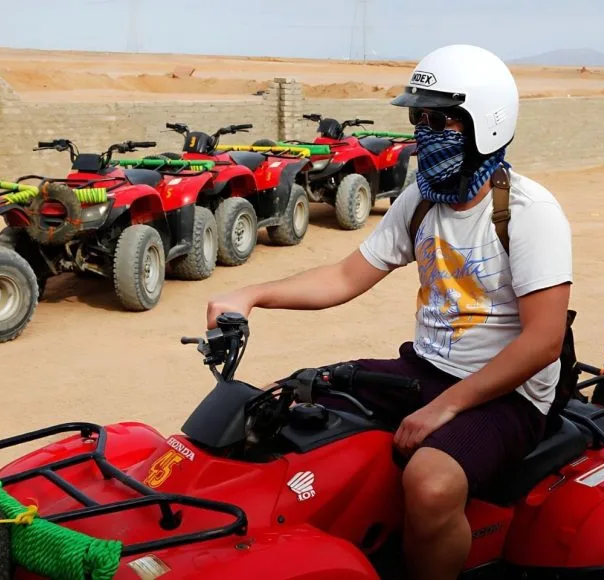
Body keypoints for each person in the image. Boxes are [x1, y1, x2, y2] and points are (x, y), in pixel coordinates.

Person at [205, 44, 574, 580]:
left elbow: (542, 342)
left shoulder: (528, 212)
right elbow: (344, 277)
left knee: (430, 482)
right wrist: (252, 295)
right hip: (425, 369)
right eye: (417, 117)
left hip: (509, 393)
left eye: (441, 118)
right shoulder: (420, 200)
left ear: (485, 124)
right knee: (282, 408)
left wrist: (447, 407)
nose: (425, 130)